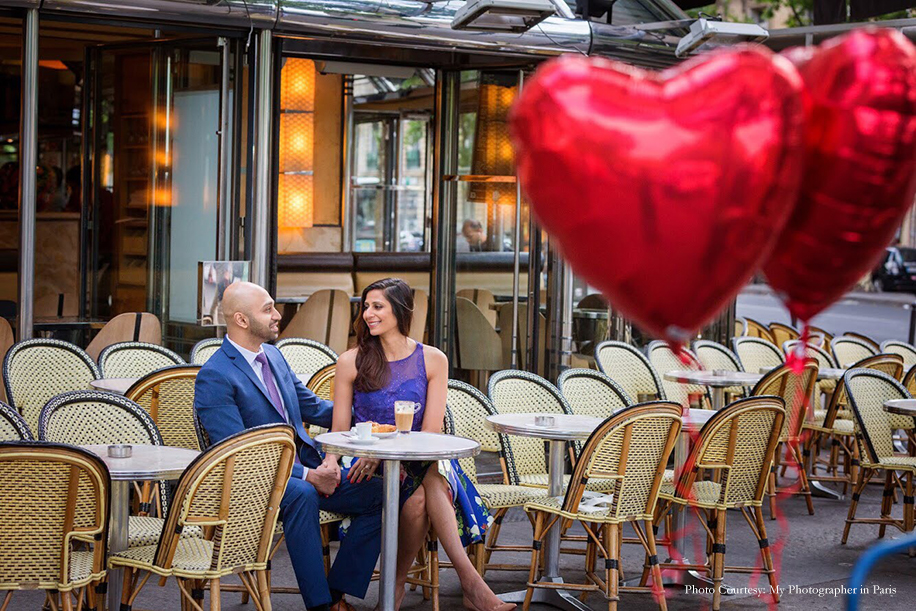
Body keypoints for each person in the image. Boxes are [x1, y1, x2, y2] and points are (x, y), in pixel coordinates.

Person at [326, 277, 515, 611]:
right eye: (366, 307)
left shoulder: (433, 359)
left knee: (429, 478)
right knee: (422, 495)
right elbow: (339, 430)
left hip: (421, 457)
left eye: (377, 306)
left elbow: (429, 435)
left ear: (400, 311)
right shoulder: (350, 361)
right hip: (365, 460)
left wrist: (387, 448)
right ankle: (468, 586)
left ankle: (399, 587)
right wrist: (371, 450)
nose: (368, 313)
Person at [194, 282, 383, 611]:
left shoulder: (274, 357)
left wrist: (371, 416)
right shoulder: (215, 376)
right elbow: (239, 451)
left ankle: (338, 590)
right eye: (267, 309)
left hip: (307, 468)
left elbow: (313, 408)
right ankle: (320, 605)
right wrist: (310, 475)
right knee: (302, 494)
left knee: (383, 493)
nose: (277, 315)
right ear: (241, 320)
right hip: (253, 484)